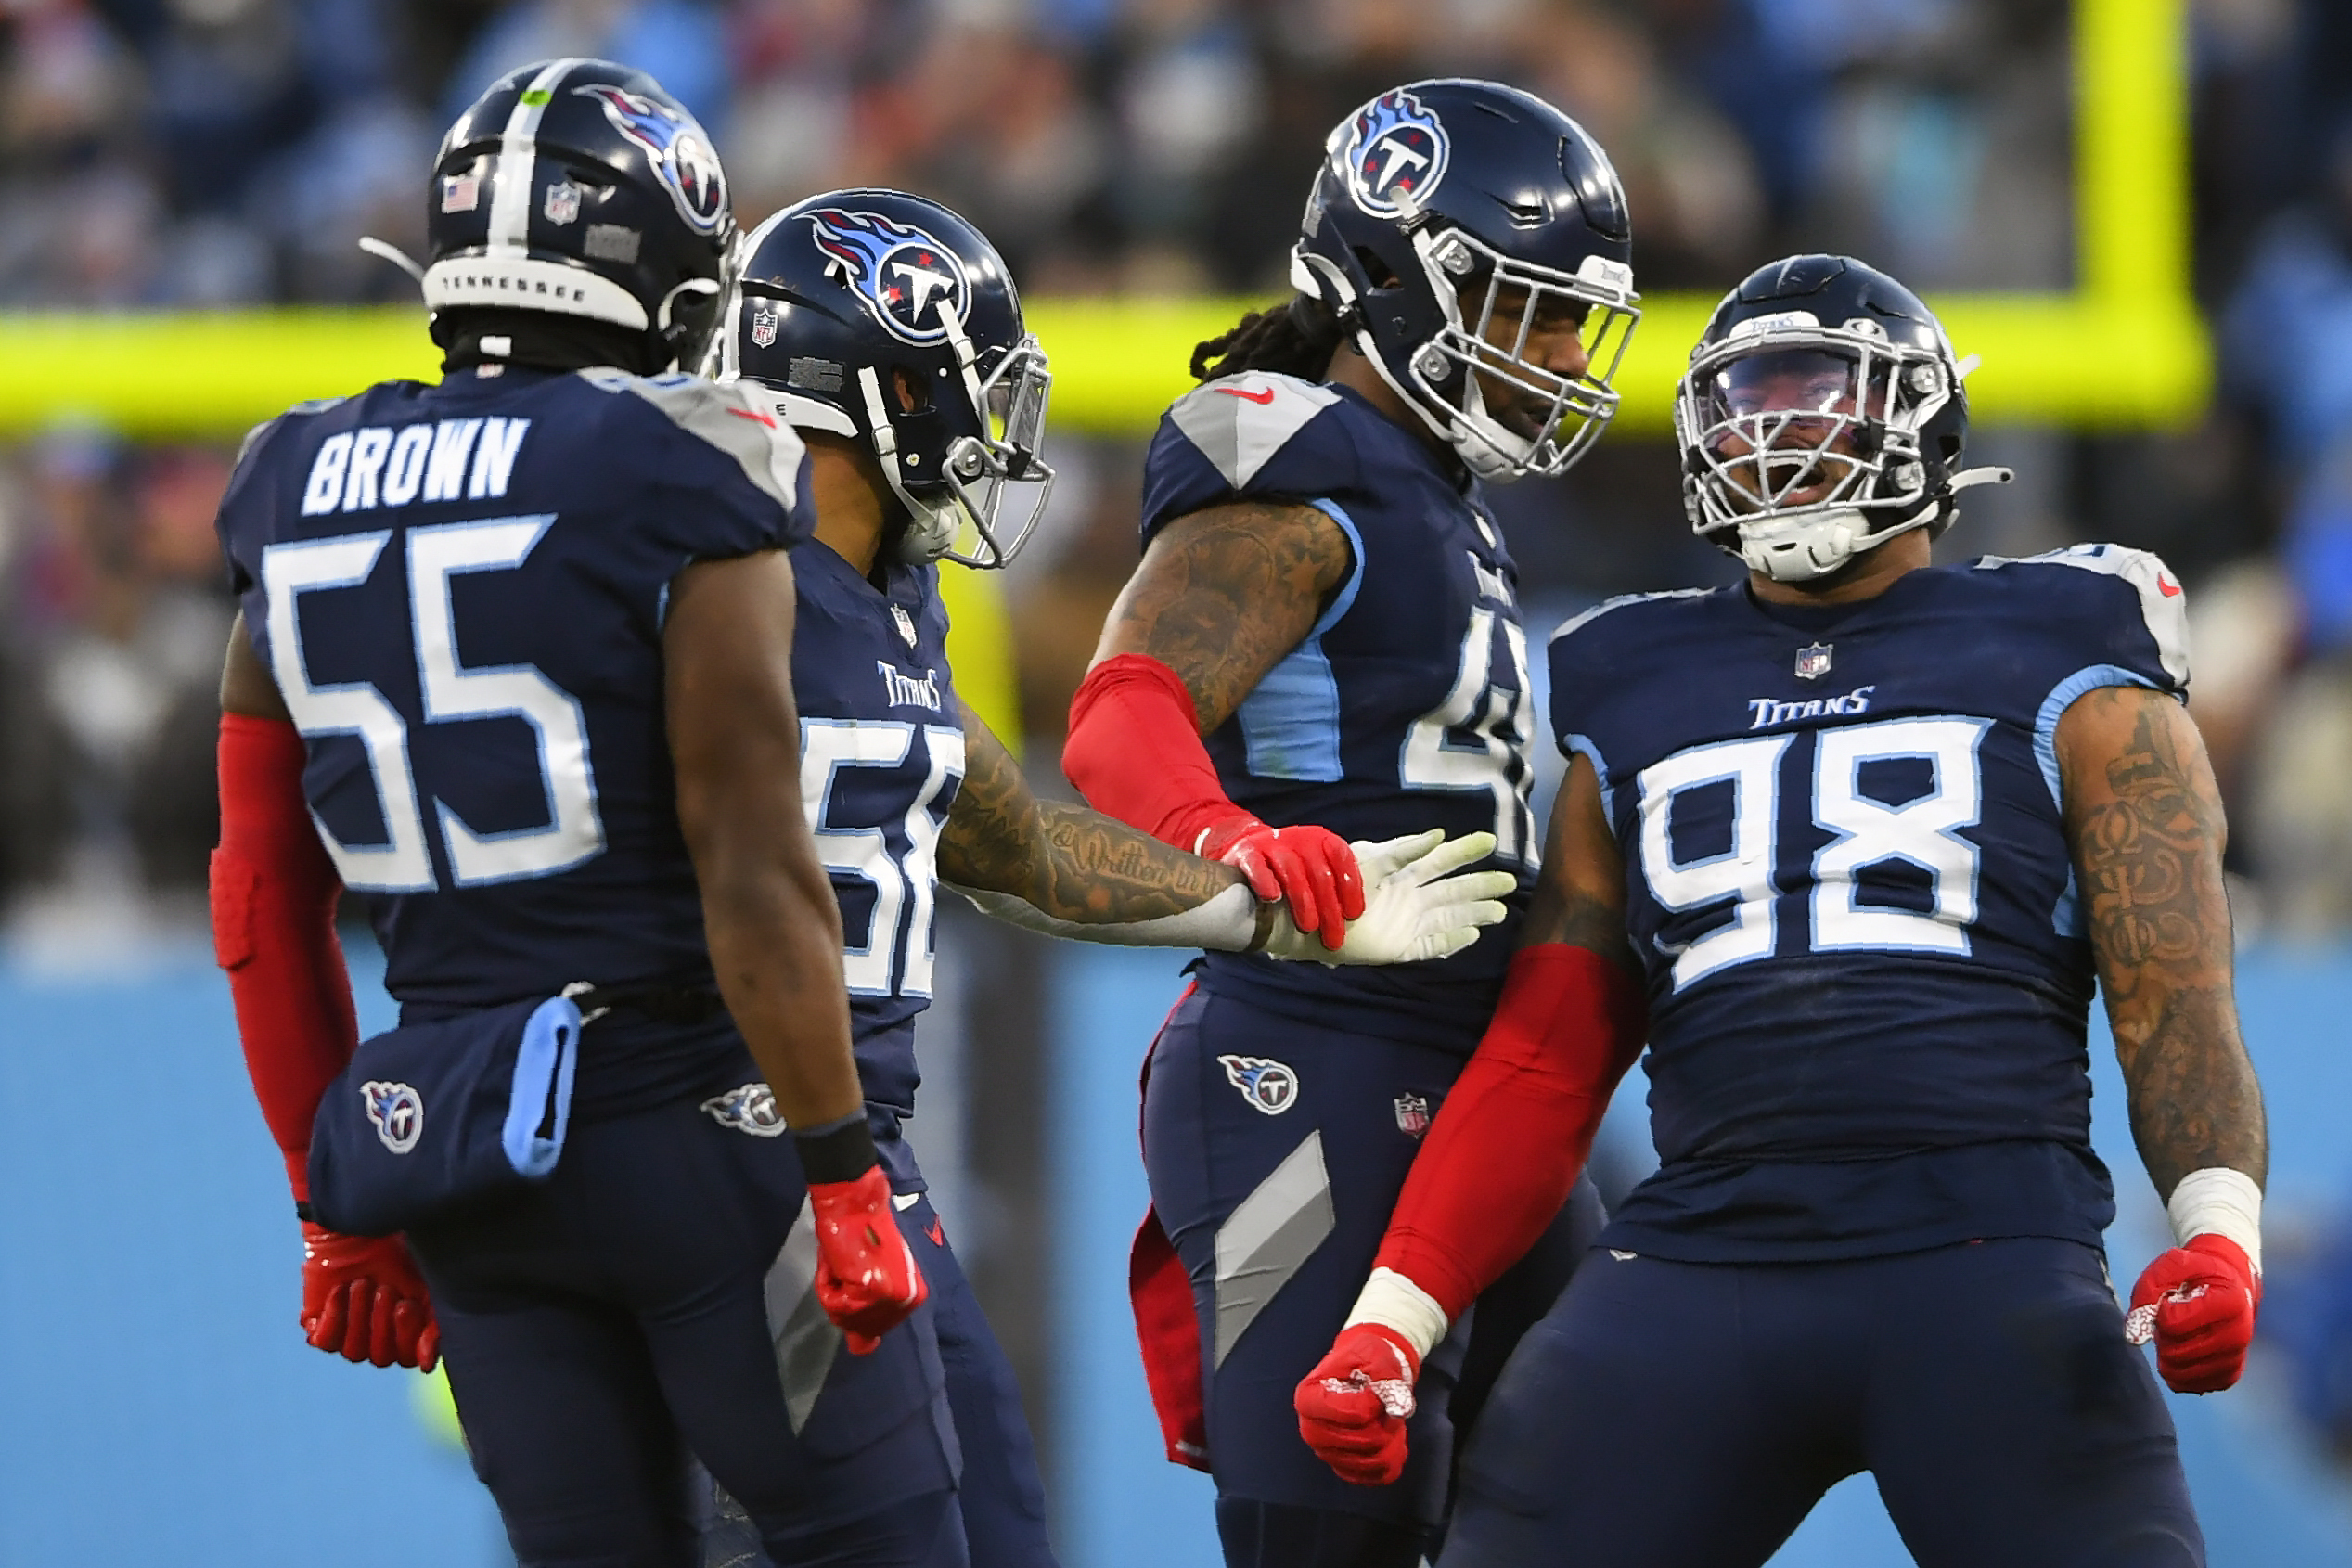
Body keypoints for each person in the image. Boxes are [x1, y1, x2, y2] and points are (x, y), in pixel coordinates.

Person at [1294, 254, 2270, 1568]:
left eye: (1815, 397)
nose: (1775, 433)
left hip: (1982, 1253)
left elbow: (2174, 989)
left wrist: (2216, 1227)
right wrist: (1391, 1319)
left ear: (1919, 416)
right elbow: (1548, 1054)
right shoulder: (1631, 674)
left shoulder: (2073, 645)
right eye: (1747, 402)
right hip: (1703, 1264)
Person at [690, 186, 1520, 1568]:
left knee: (996, 1529)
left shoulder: (891, 593)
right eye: (967, 387)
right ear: (873, 382)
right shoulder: (691, 569)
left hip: (856, 1151)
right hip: (711, 1138)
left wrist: (1272, 903)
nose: (991, 431)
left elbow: (1019, 846)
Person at [210, 60, 952, 1567]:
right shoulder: (685, 455)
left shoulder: (288, 478)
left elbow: (258, 898)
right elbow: (752, 857)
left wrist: (332, 1195)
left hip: (458, 1143)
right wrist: (838, 1160)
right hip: (694, 1117)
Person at [1060, 79, 1642, 1568]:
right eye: (1533, 310)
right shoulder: (1301, 462)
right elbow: (1121, 708)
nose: (1567, 355)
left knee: (1597, 1505)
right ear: (1402, 281)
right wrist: (1228, 840)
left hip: (1484, 1085)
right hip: (1308, 1066)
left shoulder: (1438, 493)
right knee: (1330, 1540)